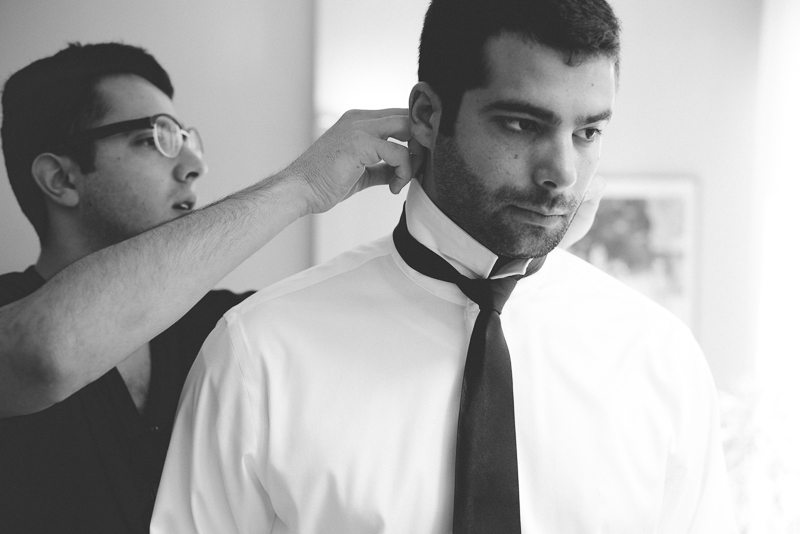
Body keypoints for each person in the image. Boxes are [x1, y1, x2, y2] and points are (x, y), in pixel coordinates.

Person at [151, 0, 736, 532]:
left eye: (587, 131)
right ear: (428, 115)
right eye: (522, 124)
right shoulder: (260, 355)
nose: (561, 173)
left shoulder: (661, 360)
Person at [0, 41, 417, 534]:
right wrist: (302, 185)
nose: (192, 165)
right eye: (154, 138)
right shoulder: (13, 318)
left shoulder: (230, 326)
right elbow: (45, 354)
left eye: (184, 137)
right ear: (60, 178)